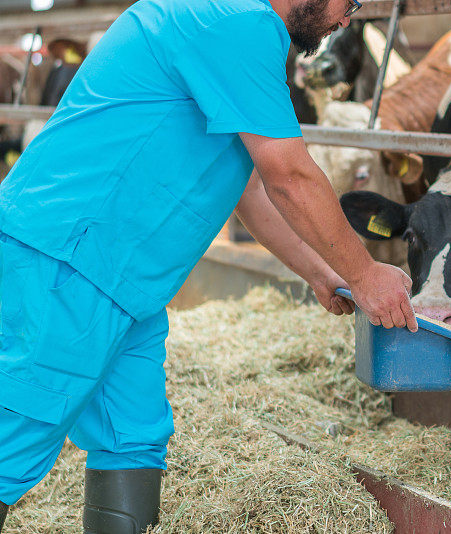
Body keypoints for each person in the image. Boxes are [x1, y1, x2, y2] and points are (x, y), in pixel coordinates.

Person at [0, 0, 417, 531]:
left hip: (125, 282)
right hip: (70, 262)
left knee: (132, 438)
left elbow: (248, 185)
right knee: (13, 437)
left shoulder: (223, 19)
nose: (346, 19)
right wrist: (366, 273)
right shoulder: (240, 23)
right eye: (348, 1)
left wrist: (322, 270)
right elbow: (288, 174)